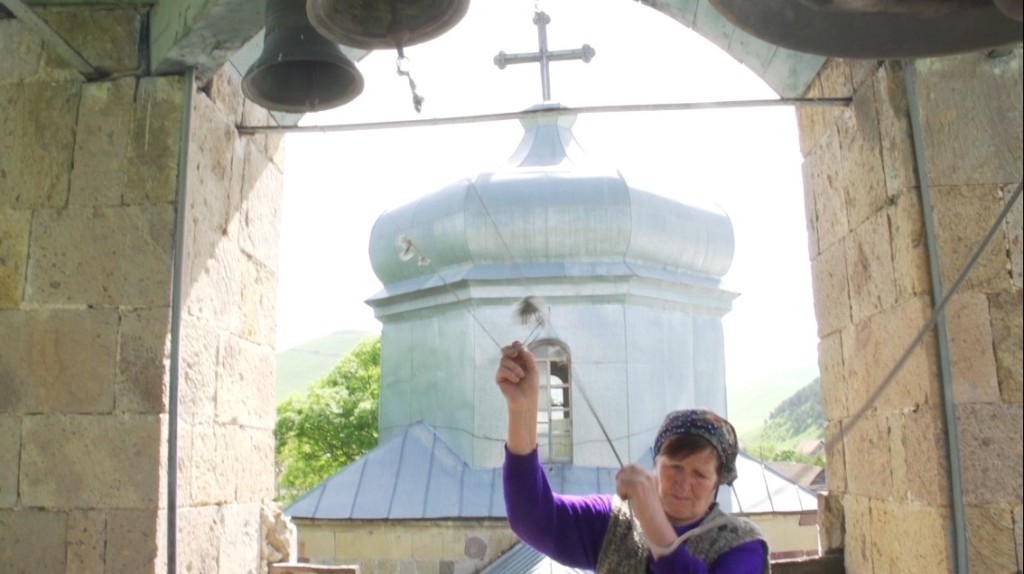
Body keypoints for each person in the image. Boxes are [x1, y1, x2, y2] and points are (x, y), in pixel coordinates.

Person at [495, 341, 770, 573]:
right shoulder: (614, 522)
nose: (683, 483)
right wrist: (523, 410)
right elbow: (531, 518)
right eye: (674, 467)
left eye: (699, 474)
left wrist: (654, 524)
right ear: (656, 463)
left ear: (717, 482)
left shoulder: (741, 543)